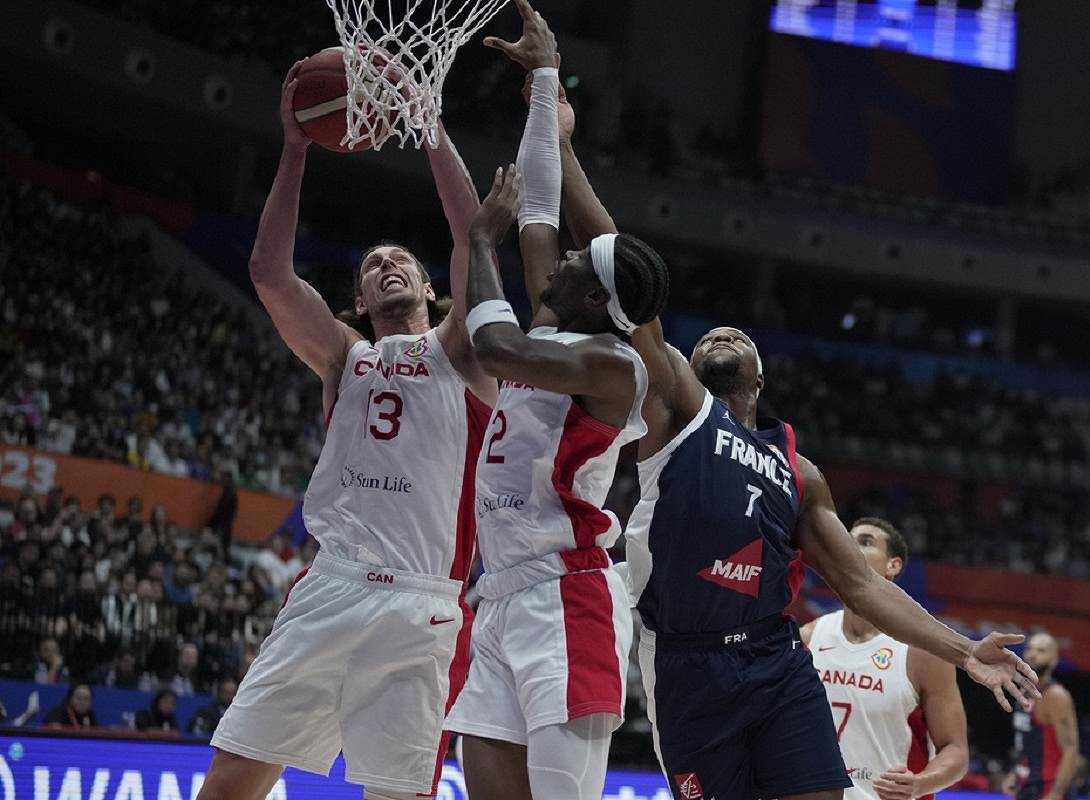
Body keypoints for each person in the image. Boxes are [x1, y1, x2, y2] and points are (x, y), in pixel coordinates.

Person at [545, 76, 1039, 800]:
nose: (716, 333)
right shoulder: (682, 407)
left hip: (775, 663)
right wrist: (560, 148)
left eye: (734, 334)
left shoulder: (797, 470)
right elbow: (630, 281)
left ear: (759, 376)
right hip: (687, 662)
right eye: (708, 332)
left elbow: (862, 584)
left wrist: (966, 652)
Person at [197, 48, 497, 800]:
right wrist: (295, 150)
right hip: (330, 588)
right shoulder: (344, 357)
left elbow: (472, 242)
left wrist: (428, 124)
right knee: (228, 787)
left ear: (431, 288)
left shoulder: (463, 351)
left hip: (422, 601)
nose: (388, 264)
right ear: (359, 300)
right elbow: (269, 273)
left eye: (402, 259)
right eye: (372, 264)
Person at [444, 4, 669, 797]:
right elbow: (539, 204)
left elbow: (493, 348)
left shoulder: (612, 367)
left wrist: (477, 245)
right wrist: (544, 82)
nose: (565, 255)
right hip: (499, 593)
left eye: (578, 262)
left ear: (593, 296)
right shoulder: (559, 324)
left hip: (565, 595)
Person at [800, 518, 969, 800]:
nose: (850, 548)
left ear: (893, 565)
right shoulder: (808, 636)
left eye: (865, 542)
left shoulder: (922, 651)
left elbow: (956, 750)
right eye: (846, 540)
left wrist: (920, 783)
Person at [1006, 633, 1079, 800]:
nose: (1033, 654)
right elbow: (1025, 743)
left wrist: (1057, 793)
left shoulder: (1055, 696)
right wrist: (1014, 773)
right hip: (1026, 786)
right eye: (1030, 649)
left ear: (1053, 660)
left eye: (1041, 650)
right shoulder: (1024, 692)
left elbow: (1070, 749)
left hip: (1046, 789)